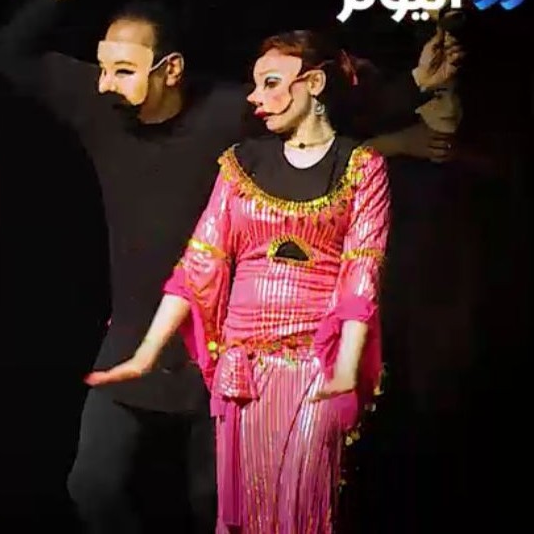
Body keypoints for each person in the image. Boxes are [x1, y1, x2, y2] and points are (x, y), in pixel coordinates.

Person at [0, 0, 461, 533]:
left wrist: (414, 88)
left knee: (217, 503)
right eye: (103, 67)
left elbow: (319, 129)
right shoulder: (98, 104)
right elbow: (6, 53)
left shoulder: (229, 114)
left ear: (170, 70)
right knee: (92, 487)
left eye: (125, 70)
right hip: (135, 336)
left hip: (219, 351)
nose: (105, 83)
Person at [86, 30, 392, 533]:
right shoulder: (241, 164)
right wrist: (145, 355)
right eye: (254, 84)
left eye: (271, 83)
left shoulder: (360, 167)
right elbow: (198, 264)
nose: (254, 97)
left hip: (313, 367)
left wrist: (345, 371)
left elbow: (363, 273)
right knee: (247, 514)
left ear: (313, 84)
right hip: (243, 369)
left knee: (302, 507)